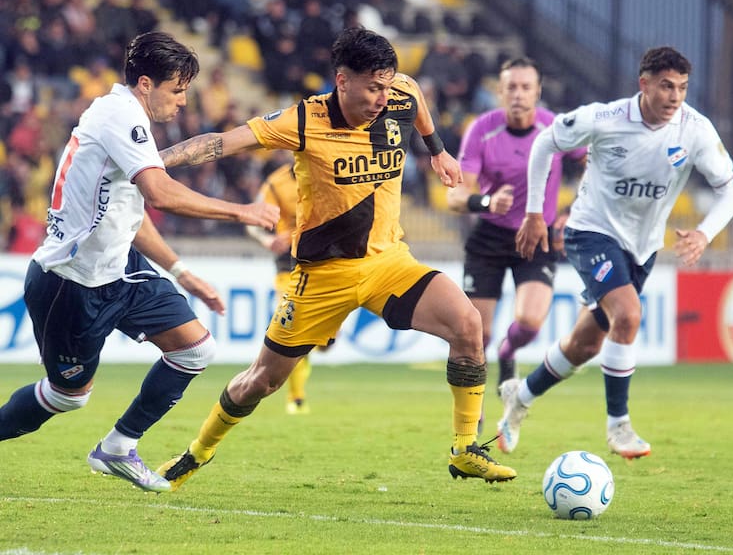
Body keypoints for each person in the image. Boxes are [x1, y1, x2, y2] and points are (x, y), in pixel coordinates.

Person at [155, 26, 517, 489]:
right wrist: (151, 162)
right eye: (373, 87)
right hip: (322, 276)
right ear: (342, 80)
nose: (384, 97)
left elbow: (417, 100)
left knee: (468, 325)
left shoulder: (400, 93)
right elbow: (224, 142)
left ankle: (465, 449)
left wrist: (439, 151)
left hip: (390, 262)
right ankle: (196, 454)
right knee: (261, 382)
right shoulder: (304, 121)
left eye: (388, 85)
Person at [0, 32, 279, 492]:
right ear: (146, 83)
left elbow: (130, 215)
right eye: (177, 90)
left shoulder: (129, 122)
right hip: (71, 282)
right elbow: (161, 195)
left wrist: (182, 272)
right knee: (68, 398)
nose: (184, 102)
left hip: (120, 270)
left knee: (195, 349)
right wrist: (241, 210)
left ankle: (117, 447)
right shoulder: (118, 116)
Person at [507, 46, 733, 458]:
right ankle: (619, 427)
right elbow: (545, 143)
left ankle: (519, 397)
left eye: (682, 88)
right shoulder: (605, 118)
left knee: (585, 346)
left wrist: (704, 233)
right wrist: (533, 214)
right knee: (629, 315)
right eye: (666, 86)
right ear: (644, 84)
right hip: (590, 233)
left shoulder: (695, 130)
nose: (674, 97)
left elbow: (729, 193)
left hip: (641, 249)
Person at [447, 57, 586, 404]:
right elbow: (455, 194)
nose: (519, 94)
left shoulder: (554, 128)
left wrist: (574, 210)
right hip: (489, 237)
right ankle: (472, 414)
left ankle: (508, 353)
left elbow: (592, 164)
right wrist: (485, 202)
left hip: (537, 237)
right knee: (475, 336)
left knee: (529, 323)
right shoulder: (482, 129)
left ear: (538, 92)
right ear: (499, 92)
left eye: (526, 87)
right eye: (511, 87)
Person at [246, 161, 315, 414]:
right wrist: (268, 240)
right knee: (294, 325)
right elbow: (253, 222)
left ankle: (321, 340)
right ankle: (296, 398)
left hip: (327, 261)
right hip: (288, 263)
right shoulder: (277, 183)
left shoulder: (331, 167)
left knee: (324, 340)